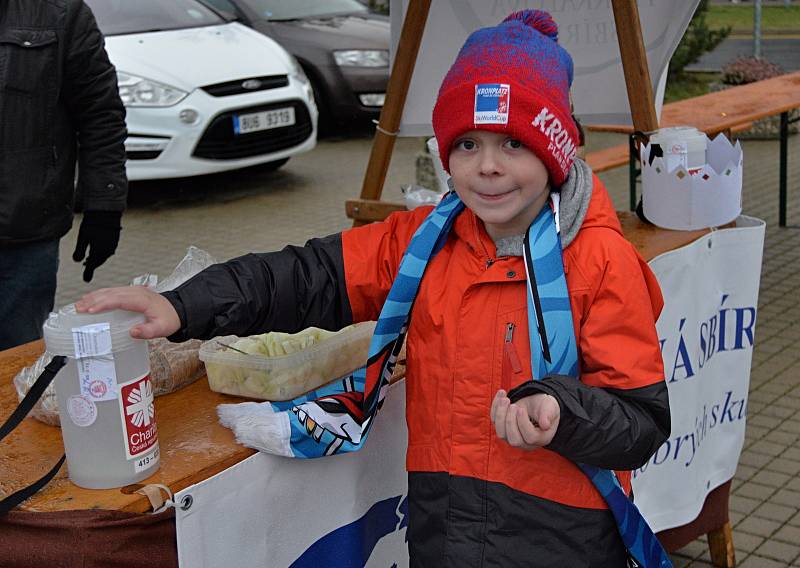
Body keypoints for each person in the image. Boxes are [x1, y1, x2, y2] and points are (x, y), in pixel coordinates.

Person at [77, 10, 671, 566]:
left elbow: (642, 424)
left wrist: (563, 411)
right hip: (443, 529)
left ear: (555, 151)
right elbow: (305, 276)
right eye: (468, 144)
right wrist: (182, 305)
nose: (487, 166)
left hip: (560, 538)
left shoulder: (599, 261)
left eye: (513, 143)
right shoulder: (422, 242)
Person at [0, 0, 128, 351]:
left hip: (22, 240)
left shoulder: (59, 12)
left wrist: (104, 205)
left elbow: (100, 114)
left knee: (17, 361)